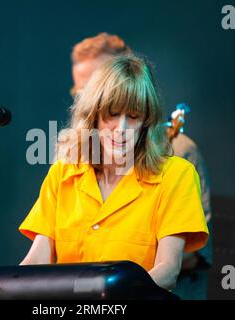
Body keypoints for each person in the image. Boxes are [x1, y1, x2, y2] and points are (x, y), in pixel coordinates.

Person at [19, 54, 209, 291]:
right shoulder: (62, 174)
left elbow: (168, 270)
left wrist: (110, 299)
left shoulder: (176, 175)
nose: (121, 129)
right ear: (94, 115)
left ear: (146, 122)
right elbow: (36, 261)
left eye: (133, 116)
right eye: (112, 113)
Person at [69, 32, 213, 299]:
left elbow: (192, 255)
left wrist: (112, 282)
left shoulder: (178, 153)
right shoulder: (73, 165)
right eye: (81, 90)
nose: (87, 96)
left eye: (97, 84)